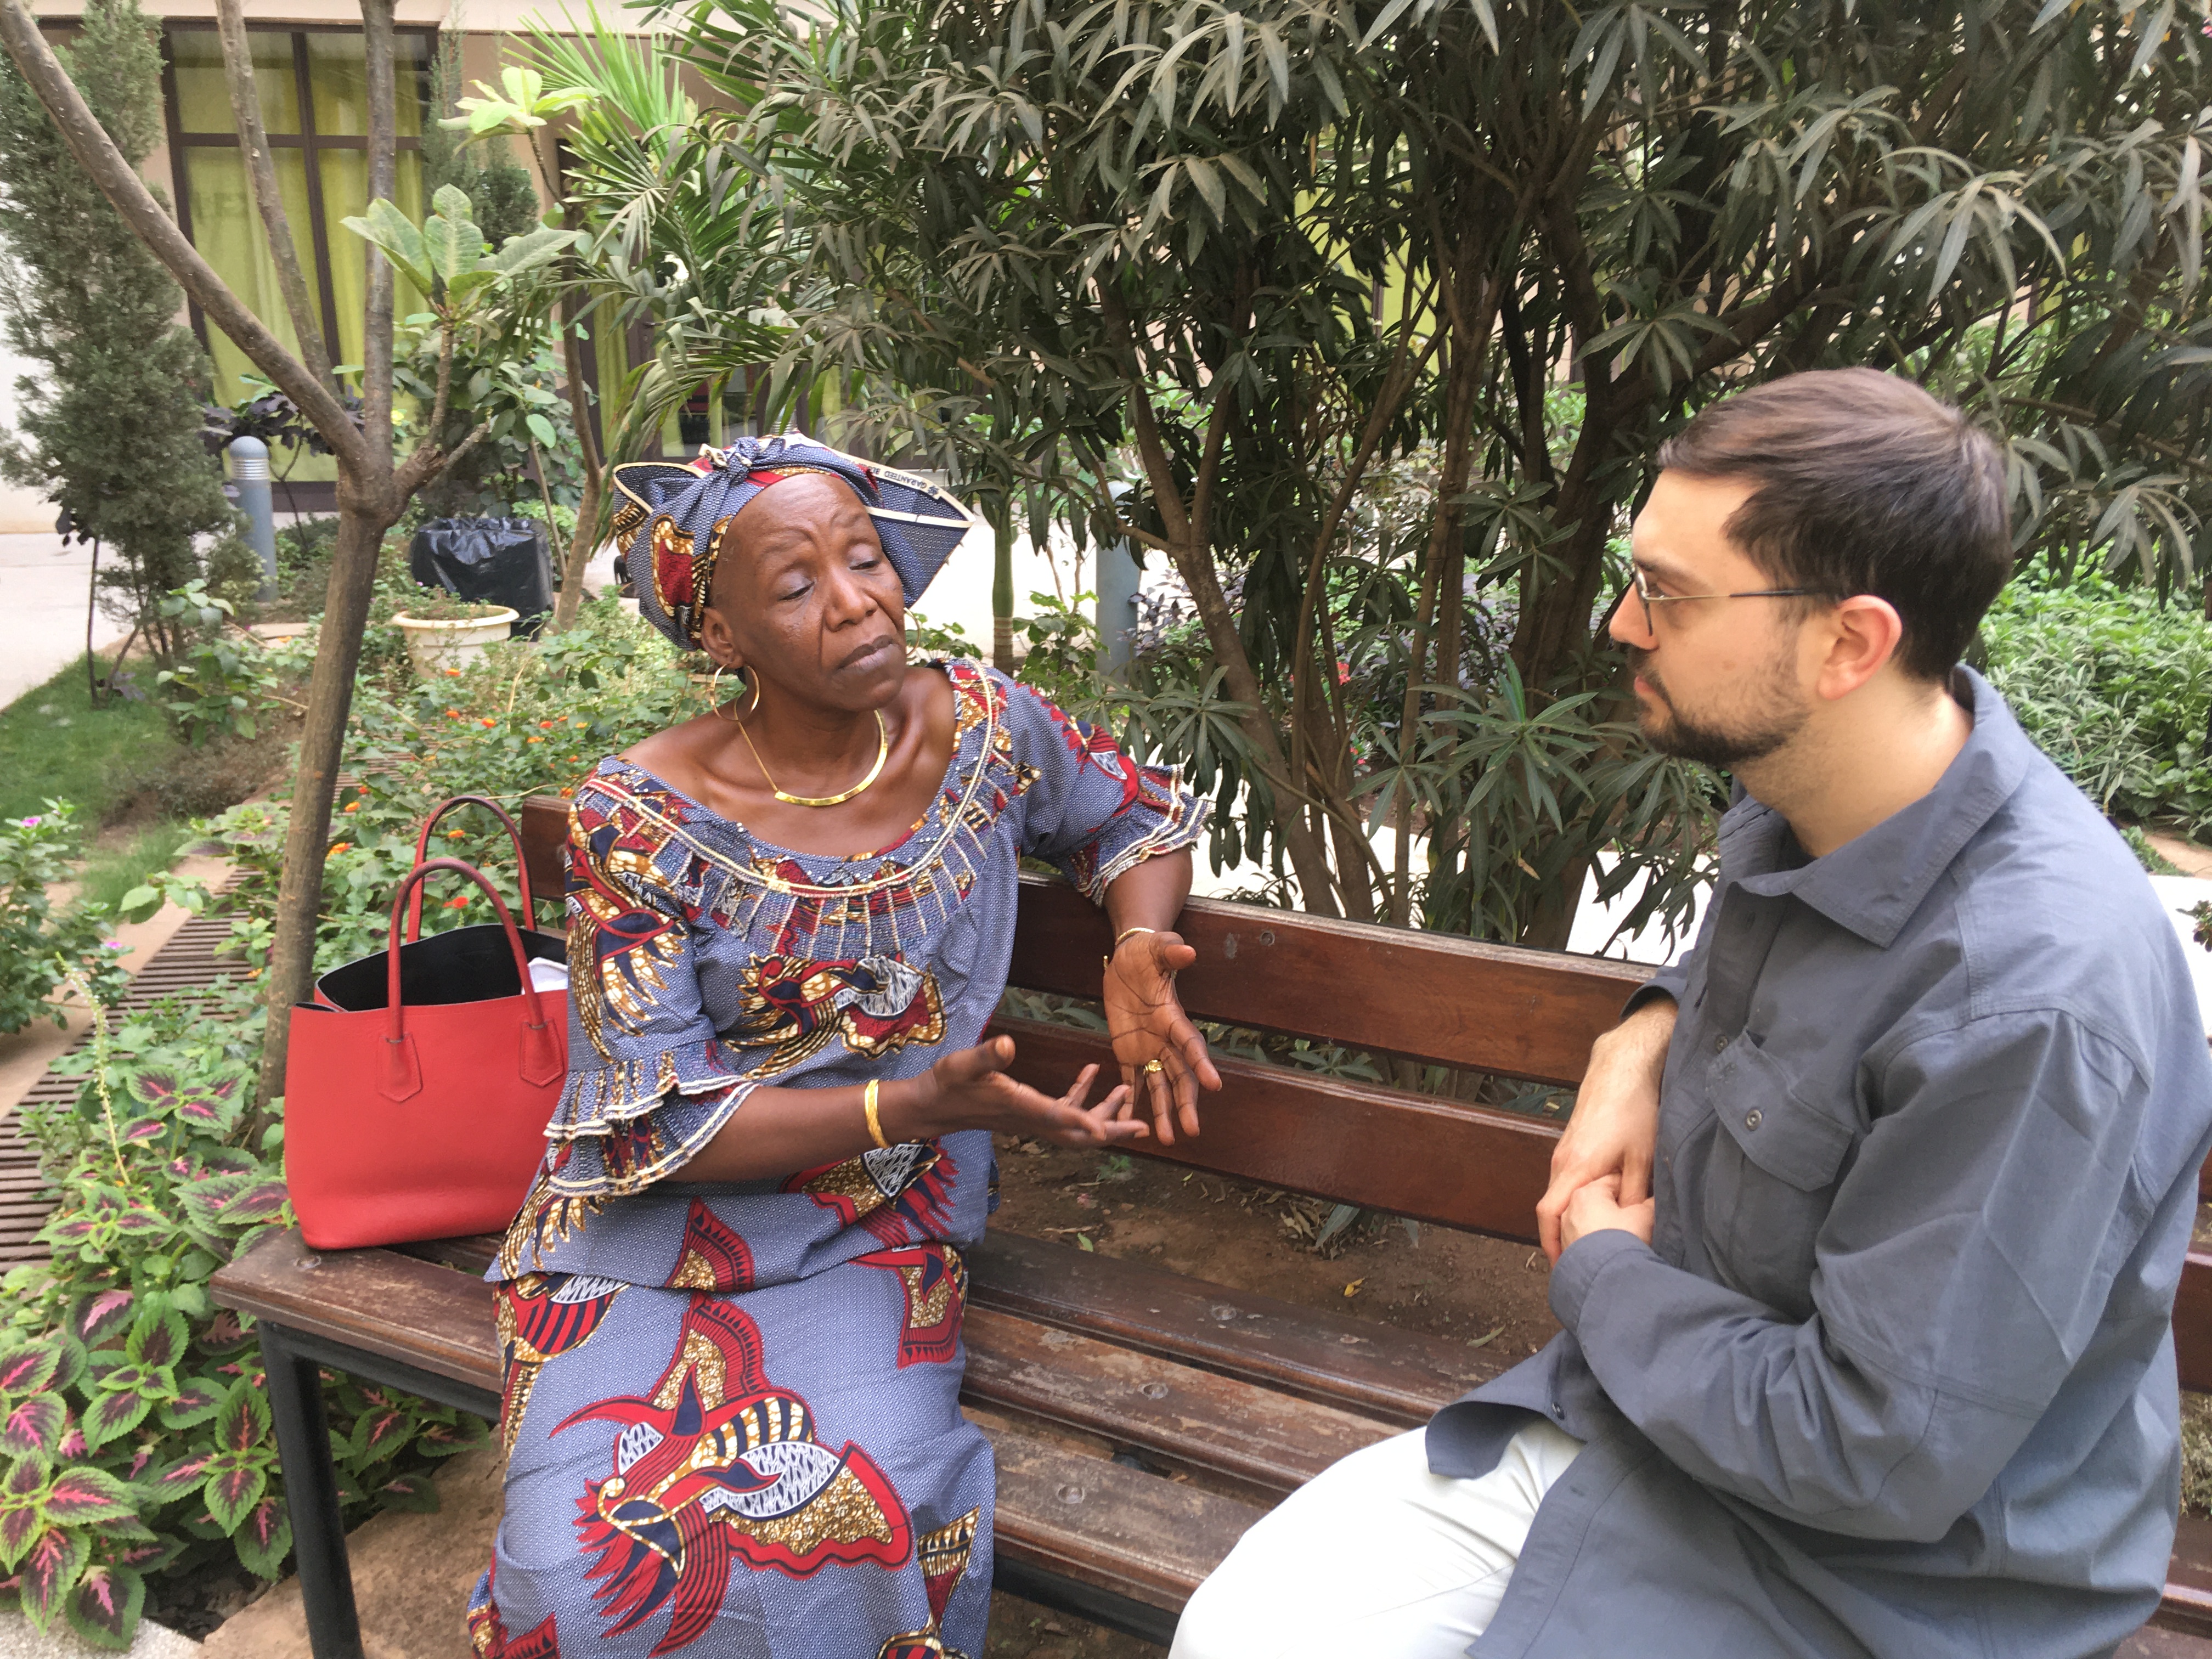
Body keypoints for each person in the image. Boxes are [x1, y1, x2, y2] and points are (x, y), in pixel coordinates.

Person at [1170, 368, 2212, 1658]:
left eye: (1667, 594)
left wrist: (1598, 1267)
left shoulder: (2033, 998)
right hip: (1650, 1440)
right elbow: (1781, 958)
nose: (1620, 621)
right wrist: (1642, 1030)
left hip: (1878, 1579)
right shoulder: (1830, 793)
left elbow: (1871, 1456)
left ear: (1849, 643)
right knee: (1244, 1635)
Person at [466, 433, 1222, 1659]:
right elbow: (656, 1127)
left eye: (863, 559)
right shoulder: (638, 823)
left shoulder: (980, 726)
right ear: (721, 638)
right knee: (576, 1568)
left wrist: (1135, 945)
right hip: (643, 1229)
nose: (858, 599)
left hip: (874, 1229)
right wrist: (913, 1107)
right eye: (797, 585)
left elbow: (1133, 814)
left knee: (848, 1519)